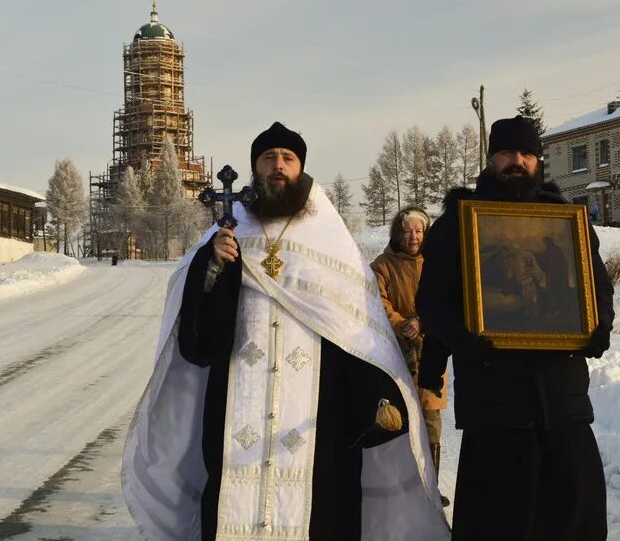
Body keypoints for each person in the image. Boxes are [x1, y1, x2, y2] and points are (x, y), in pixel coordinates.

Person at [122, 122, 449, 540]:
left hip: (319, 413)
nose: (279, 165)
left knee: (322, 509)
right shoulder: (229, 228)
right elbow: (198, 337)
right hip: (235, 401)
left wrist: (375, 393)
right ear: (255, 168)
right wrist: (211, 263)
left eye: (288, 159)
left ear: (302, 169)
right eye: (269, 157)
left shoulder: (329, 237)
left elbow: (357, 325)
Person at [416, 115, 615, 541]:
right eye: (507, 153)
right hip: (495, 409)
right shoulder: (458, 225)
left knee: (575, 519)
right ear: (490, 159)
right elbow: (431, 303)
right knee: (498, 523)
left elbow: (597, 287)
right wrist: (461, 338)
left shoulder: (564, 221)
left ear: (538, 160)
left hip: (562, 405)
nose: (517, 162)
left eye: (526, 154)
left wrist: (599, 327)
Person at [369, 206, 450, 507]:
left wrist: (423, 321)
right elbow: (378, 300)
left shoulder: (436, 264)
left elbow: (445, 298)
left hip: (432, 351)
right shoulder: (382, 265)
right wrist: (402, 324)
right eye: (408, 231)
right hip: (396, 350)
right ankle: (396, 485)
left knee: (430, 418)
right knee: (397, 415)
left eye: (419, 231)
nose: (413, 237)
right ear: (398, 232)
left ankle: (430, 486)